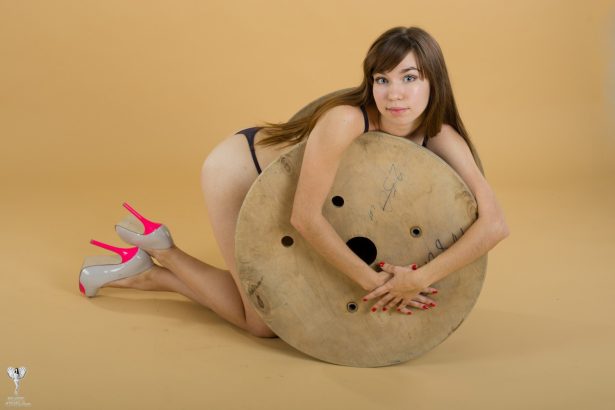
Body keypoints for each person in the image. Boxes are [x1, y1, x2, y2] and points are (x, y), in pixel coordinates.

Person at [79, 26, 509, 338]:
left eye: (409, 78)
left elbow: (494, 224)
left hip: (286, 187)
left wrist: (418, 278)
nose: (394, 93)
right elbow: (305, 217)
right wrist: (377, 285)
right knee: (262, 323)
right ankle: (165, 257)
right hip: (243, 170)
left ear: (434, 81)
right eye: (382, 79)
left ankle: (147, 268)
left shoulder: (440, 135)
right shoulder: (346, 120)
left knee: (267, 310)